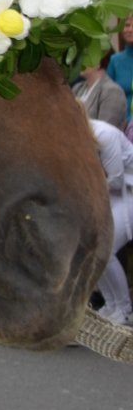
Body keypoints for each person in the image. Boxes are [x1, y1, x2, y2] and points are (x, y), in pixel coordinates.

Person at [90, 117, 133, 326]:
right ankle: (111, 304)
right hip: (115, 193)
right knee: (96, 250)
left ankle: (123, 308)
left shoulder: (104, 135)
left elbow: (115, 179)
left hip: (127, 192)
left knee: (106, 249)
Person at [72, 63, 127, 129]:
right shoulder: (77, 88)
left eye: (84, 58)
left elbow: (106, 131)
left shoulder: (113, 91)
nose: (80, 62)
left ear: (97, 63)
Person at [105, 14, 133, 120]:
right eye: (127, 25)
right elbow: (107, 94)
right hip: (123, 126)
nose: (130, 30)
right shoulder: (115, 61)